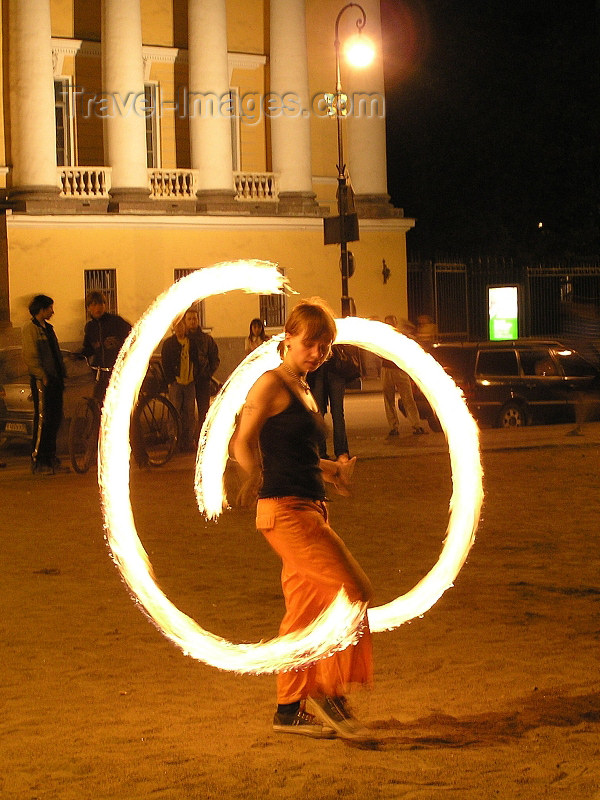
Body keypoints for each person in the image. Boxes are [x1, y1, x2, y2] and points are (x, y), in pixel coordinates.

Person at [233, 298, 373, 741]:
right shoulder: (270, 385)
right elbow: (241, 441)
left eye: (325, 346)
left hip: (309, 506)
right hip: (286, 512)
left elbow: (302, 455)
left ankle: (289, 709)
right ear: (287, 340)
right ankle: (329, 692)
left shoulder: (305, 388)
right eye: (310, 343)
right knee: (352, 591)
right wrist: (251, 474)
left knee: (302, 615)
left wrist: (335, 472)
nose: (317, 353)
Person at [22, 294, 68, 474]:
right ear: (41, 309)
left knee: (55, 419)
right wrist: (42, 375)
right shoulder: (31, 329)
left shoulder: (48, 328)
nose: (52, 311)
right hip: (43, 381)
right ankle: (37, 459)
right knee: (43, 420)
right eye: (49, 308)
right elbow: (30, 356)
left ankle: (50, 457)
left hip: (55, 379)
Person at [307, 345, 359, 461]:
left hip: (333, 371)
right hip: (320, 373)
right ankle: (330, 452)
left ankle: (338, 451)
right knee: (321, 414)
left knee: (336, 414)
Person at [82, 291, 132, 401]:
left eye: (101, 304)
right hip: (101, 372)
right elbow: (89, 348)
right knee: (97, 401)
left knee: (118, 402)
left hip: (117, 370)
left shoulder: (116, 321)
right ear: (89, 308)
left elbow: (133, 335)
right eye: (94, 305)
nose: (98, 308)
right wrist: (78, 355)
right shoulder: (90, 327)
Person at [382, 315, 427, 437]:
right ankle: (393, 427)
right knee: (389, 400)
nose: (389, 326)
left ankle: (416, 425)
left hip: (400, 370)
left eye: (391, 323)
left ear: (395, 325)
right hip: (387, 369)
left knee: (408, 399)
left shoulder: (400, 337)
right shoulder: (383, 337)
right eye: (388, 323)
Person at [161, 317, 198, 452]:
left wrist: (195, 376)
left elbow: (196, 361)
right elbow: (166, 363)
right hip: (176, 383)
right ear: (174, 328)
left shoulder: (191, 342)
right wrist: (171, 380)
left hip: (189, 382)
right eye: (177, 326)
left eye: (181, 326)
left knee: (189, 413)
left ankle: (188, 441)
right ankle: (173, 440)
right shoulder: (169, 344)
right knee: (174, 411)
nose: (180, 329)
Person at [183, 308, 220, 430]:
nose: (192, 321)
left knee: (203, 412)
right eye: (189, 319)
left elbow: (215, 358)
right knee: (186, 413)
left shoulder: (206, 339)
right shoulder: (182, 339)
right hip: (186, 381)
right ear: (185, 321)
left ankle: (202, 438)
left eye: (194, 318)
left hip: (203, 381)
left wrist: (207, 373)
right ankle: (187, 439)